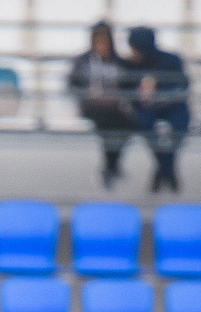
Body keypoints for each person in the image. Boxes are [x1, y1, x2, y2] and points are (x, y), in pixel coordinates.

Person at [68, 23, 142, 191]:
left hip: (114, 106)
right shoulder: (82, 62)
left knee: (126, 123)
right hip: (91, 106)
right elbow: (72, 85)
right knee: (109, 121)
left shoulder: (120, 63)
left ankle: (111, 165)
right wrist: (87, 96)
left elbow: (129, 85)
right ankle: (112, 167)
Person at [123, 25, 189, 193]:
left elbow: (182, 87)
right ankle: (167, 169)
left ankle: (163, 170)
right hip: (146, 108)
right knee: (143, 123)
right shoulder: (131, 65)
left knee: (180, 125)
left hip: (173, 106)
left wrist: (156, 94)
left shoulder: (171, 60)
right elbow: (125, 89)